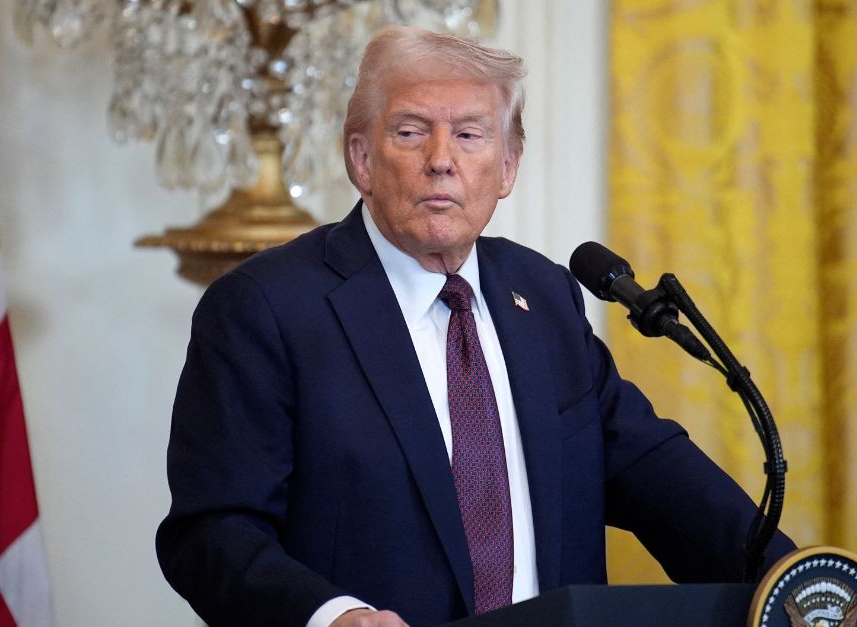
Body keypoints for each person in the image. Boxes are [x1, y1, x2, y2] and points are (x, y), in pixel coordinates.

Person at [156, 26, 794, 627]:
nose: (441, 160)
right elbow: (211, 532)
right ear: (361, 159)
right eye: (410, 133)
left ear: (509, 166)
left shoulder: (544, 297)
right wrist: (332, 616)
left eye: (470, 135)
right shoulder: (265, 308)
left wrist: (799, 586)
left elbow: (655, 473)